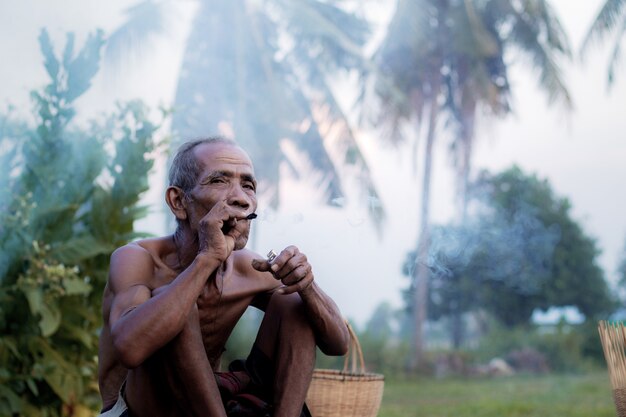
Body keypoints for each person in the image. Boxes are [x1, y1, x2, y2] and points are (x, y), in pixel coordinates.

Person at [97, 137, 350, 417]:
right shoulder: (136, 259)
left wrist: (307, 284)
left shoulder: (250, 269)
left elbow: (337, 344)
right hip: (135, 409)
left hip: (204, 405)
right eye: (219, 181)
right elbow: (130, 350)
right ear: (178, 201)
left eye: (248, 186)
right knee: (174, 304)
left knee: (294, 301)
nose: (240, 198)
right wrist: (208, 258)